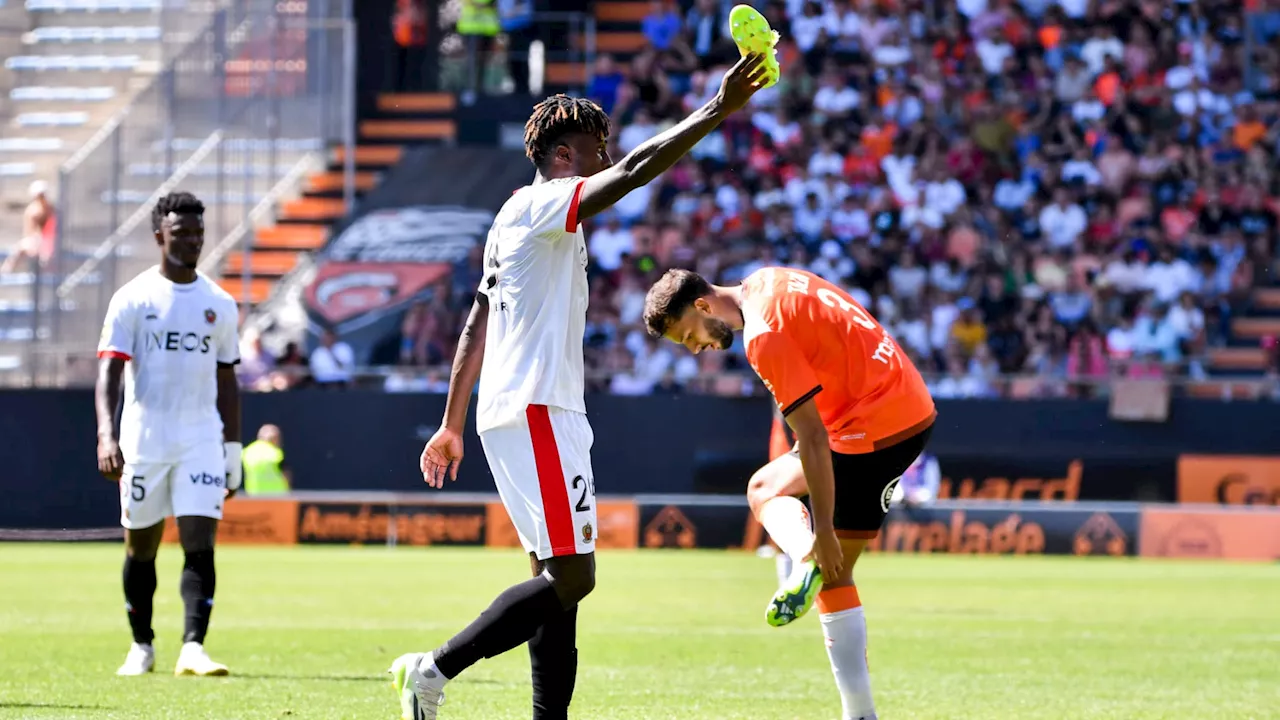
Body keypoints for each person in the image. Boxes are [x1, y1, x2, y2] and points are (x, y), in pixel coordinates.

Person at [390, 52, 772, 720]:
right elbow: (630, 174)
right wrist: (714, 110)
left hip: (511, 408)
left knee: (555, 579)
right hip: (539, 406)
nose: (605, 159)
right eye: (596, 149)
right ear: (564, 155)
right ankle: (434, 668)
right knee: (575, 576)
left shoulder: (509, 222)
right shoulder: (542, 204)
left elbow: (476, 321)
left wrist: (452, 422)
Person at [643, 266, 936, 720]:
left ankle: (859, 712)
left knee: (828, 568)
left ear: (703, 306)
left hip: (875, 426)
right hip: (901, 400)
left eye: (689, 336)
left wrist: (823, 535)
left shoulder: (761, 337)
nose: (696, 349)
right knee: (766, 489)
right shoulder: (769, 279)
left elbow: (814, 440)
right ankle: (808, 559)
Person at [94, 191, 242, 677]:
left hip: (200, 438)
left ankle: (194, 647)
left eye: (199, 233)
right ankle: (142, 645)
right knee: (141, 546)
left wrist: (232, 450)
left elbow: (227, 380)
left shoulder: (219, 303)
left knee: (200, 541)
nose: (193, 241)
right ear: (160, 235)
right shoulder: (133, 298)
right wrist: (106, 435)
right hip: (144, 439)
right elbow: (110, 374)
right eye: (182, 233)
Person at [1, 180, 55, 274]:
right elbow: (30, 232)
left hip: (49, 240)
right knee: (18, 249)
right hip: (35, 240)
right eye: (39, 196)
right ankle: (6, 272)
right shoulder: (32, 211)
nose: (41, 198)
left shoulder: (52, 210)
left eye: (43, 195)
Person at [242, 424, 290, 495]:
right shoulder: (276, 453)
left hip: (254, 495)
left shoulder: (247, 451)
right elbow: (286, 474)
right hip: (277, 496)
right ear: (274, 439)